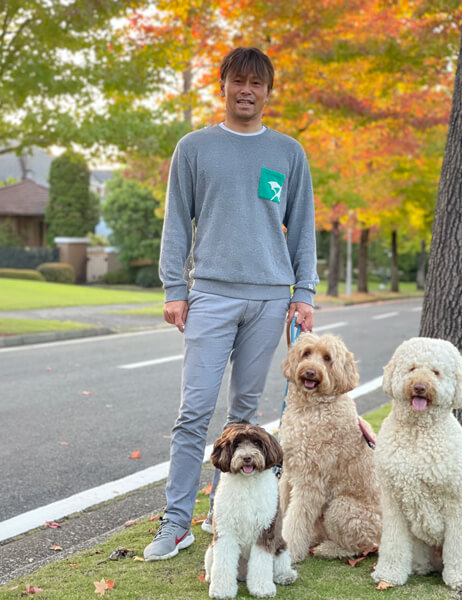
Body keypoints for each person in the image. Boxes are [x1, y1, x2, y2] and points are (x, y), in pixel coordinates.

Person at [144, 47, 318, 561]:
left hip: (269, 300)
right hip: (211, 295)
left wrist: (302, 294)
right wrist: (174, 288)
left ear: (268, 92)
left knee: (245, 416)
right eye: (238, 81)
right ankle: (176, 523)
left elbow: (302, 228)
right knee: (193, 412)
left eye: (257, 84)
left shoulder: (288, 153)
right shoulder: (194, 148)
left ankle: (231, 526)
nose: (247, 90)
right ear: (222, 85)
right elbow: (177, 221)